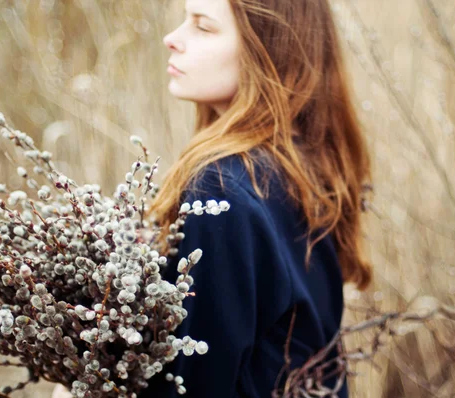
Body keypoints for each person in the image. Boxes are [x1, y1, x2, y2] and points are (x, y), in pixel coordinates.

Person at [53, 0, 372, 396]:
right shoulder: (305, 164)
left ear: (267, 48)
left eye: (203, 27)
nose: (172, 39)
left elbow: (195, 384)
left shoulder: (222, 189)